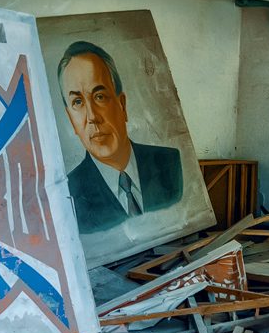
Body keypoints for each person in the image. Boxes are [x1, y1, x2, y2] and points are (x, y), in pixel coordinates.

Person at [57, 41, 183, 233]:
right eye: (78, 102)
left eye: (99, 97)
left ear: (122, 105)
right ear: (71, 120)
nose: (92, 117)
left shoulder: (170, 163)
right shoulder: (68, 197)